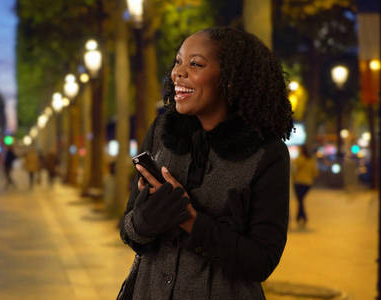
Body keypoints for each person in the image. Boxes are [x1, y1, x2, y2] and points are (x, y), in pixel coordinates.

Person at [117, 27, 293, 300]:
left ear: (231, 79)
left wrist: (190, 219)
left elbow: (261, 261)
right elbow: (129, 232)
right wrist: (145, 219)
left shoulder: (267, 154)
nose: (178, 73)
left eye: (195, 64)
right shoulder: (162, 132)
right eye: (178, 62)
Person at [292, 144, 318, 227]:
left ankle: (302, 217)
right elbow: (315, 172)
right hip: (308, 183)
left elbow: (293, 171)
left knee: (300, 201)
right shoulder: (311, 160)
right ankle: (301, 217)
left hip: (298, 182)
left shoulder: (298, 160)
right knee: (301, 200)